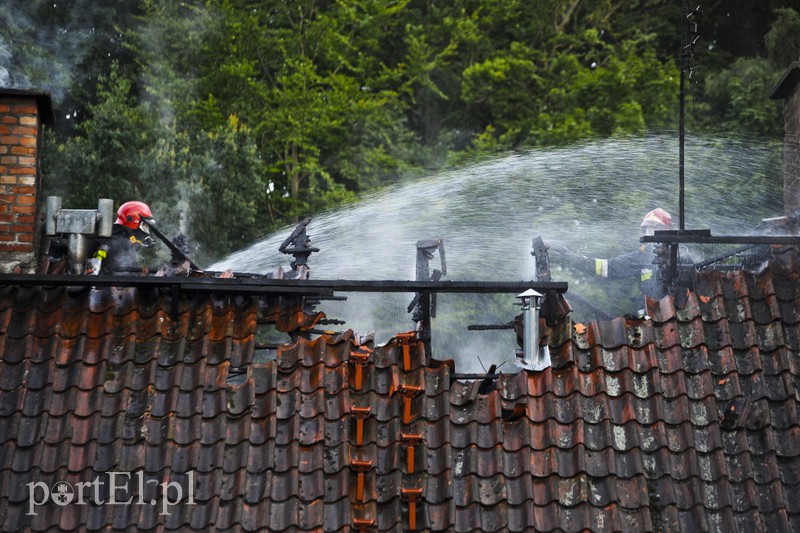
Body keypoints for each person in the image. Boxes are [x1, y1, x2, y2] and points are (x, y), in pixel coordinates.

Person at [550, 207, 677, 314]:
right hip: (648, 321)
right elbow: (608, 267)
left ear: (666, 232)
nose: (649, 233)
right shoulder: (640, 257)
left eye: (653, 229)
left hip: (673, 317)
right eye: (646, 230)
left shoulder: (679, 258)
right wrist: (574, 259)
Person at [86, 201, 156, 275]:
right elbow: (125, 278)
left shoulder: (115, 239)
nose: (147, 230)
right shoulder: (123, 244)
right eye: (145, 226)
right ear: (132, 221)